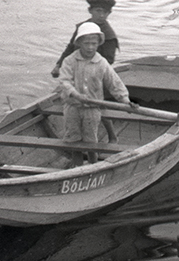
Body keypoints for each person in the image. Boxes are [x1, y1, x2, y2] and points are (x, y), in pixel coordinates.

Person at [55, 22, 132, 164]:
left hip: (92, 108)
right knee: (73, 139)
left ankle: (93, 164)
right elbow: (64, 81)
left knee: (91, 140)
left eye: (94, 43)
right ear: (79, 43)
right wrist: (75, 94)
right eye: (86, 43)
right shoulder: (69, 61)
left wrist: (125, 101)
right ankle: (77, 164)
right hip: (72, 106)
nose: (90, 47)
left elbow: (114, 83)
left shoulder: (101, 62)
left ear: (98, 44)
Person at [51, 0, 119, 77]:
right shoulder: (82, 27)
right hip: (76, 67)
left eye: (105, 12)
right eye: (98, 11)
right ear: (90, 10)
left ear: (109, 13)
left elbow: (109, 60)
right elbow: (71, 47)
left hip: (95, 73)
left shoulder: (109, 35)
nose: (101, 15)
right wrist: (59, 65)